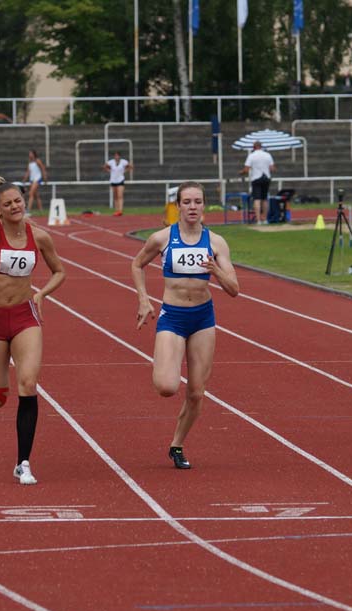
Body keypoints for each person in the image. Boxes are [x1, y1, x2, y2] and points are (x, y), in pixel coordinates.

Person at [0, 177, 66, 485]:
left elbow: (60, 271)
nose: (15, 207)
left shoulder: (40, 236)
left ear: (24, 201)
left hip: (25, 317)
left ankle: (23, 463)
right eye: (7, 204)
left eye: (18, 201)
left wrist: (41, 293)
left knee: (28, 383)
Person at [130, 181, 239, 469]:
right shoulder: (162, 238)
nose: (192, 207)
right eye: (187, 202)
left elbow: (234, 289)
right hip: (173, 316)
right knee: (167, 386)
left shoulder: (216, 242)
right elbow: (137, 264)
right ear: (178, 206)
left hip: (203, 317)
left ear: (204, 206)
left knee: (196, 392)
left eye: (197, 202)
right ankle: (164, 358)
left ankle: (176, 445)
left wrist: (215, 270)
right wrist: (143, 299)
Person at [239, 141, 275, 224]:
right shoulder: (267, 155)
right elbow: (272, 168)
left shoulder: (251, 156)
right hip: (266, 177)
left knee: (257, 199)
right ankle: (265, 219)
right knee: (264, 199)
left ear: (254, 147)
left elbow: (246, 169)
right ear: (261, 146)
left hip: (256, 178)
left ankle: (258, 220)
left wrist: (241, 172)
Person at [104, 151, 133, 216]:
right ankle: (117, 210)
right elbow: (105, 166)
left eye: (117, 155)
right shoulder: (111, 162)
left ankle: (120, 210)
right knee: (115, 196)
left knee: (120, 195)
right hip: (113, 180)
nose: (116, 157)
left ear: (119, 156)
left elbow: (131, 166)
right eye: (115, 155)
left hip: (120, 180)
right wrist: (109, 171)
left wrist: (125, 171)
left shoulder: (123, 162)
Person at [23, 149, 47, 215]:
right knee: (36, 196)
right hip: (32, 180)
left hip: (37, 179)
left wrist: (45, 177)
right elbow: (28, 172)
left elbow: (43, 169)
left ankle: (28, 210)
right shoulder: (30, 162)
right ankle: (41, 210)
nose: (29, 155)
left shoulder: (37, 161)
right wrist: (24, 180)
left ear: (34, 154)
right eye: (29, 153)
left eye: (31, 153)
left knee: (31, 193)